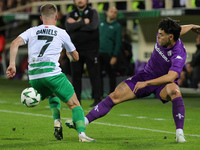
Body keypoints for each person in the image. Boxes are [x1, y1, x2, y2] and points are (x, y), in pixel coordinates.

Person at [66, 18, 200, 143]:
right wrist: (193, 26)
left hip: (162, 83)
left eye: (161, 34)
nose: (157, 36)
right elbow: (180, 29)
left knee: (175, 91)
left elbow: (171, 77)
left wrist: (147, 83)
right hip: (145, 75)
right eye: (158, 33)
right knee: (115, 95)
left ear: (171, 37)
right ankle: (83, 121)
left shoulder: (179, 53)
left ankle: (179, 134)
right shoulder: (167, 35)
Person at [6, 3, 96, 142]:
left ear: (41, 18)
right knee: (74, 104)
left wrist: (12, 64)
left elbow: (14, 43)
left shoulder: (32, 30)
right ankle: (82, 135)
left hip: (34, 76)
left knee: (52, 94)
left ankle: (57, 120)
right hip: (52, 74)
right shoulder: (61, 32)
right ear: (56, 17)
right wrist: (69, 54)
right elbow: (76, 57)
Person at [65, 0, 102, 107]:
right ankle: (77, 100)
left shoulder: (93, 12)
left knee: (94, 74)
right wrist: (83, 22)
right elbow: (68, 27)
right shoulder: (70, 13)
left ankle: (97, 99)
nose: (80, 1)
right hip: (75, 49)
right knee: (75, 75)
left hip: (91, 49)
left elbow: (93, 26)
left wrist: (76, 24)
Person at [98, 6, 122, 98]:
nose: (113, 13)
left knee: (111, 75)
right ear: (107, 12)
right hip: (99, 52)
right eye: (111, 11)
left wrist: (114, 56)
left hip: (109, 54)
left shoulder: (117, 26)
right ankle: (98, 95)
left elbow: (118, 42)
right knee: (98, 75)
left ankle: (112, 95)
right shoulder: (101, 23)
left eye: (115, 12)